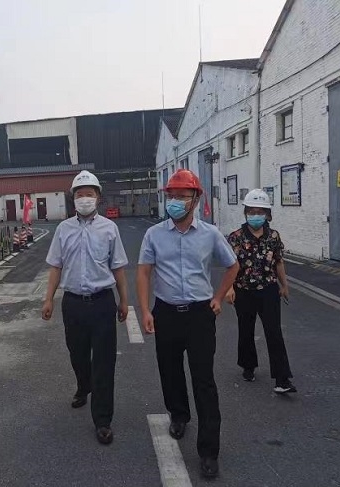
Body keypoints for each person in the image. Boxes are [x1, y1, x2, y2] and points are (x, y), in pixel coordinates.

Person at [136, 169, 239, 479]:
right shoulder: (154, 234)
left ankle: (209, 451)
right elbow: (144, 272)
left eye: (182, 196)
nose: (176, 201)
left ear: (196, 199)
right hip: (166, 312)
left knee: (203, 379)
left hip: (199, 315)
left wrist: (218, 297)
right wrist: (145, 310)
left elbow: (232, 265)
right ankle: (178, 415)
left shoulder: (210, 234)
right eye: (172, 195)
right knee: (169, 370)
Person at [42, 170, 129, 445]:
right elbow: (56, 266)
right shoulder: (64, 229)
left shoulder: (109, 229)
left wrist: (124, 300)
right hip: (73, 303)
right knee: (77, 354)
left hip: (102, 302)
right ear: (73, 199)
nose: (84, 199)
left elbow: (118, 267)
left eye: (89, 194)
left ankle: (103, 420)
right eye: (80, 195)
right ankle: (83, 385)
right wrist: (48, 298)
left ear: (98, 197)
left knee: (104, 361)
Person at [225, 189, 296, 394]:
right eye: (252, 211)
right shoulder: (236, 237)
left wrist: (284, 286)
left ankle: (282, 379)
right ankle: (248, 366)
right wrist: (229, 288)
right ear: (246, 212)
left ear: (267, 214)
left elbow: (279, 262)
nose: (256, 215)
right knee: (246, 329)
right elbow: (231, 265)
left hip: (268, 290)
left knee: (274, 332)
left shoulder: (273, 236)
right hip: (243, 290)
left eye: (260, 211)